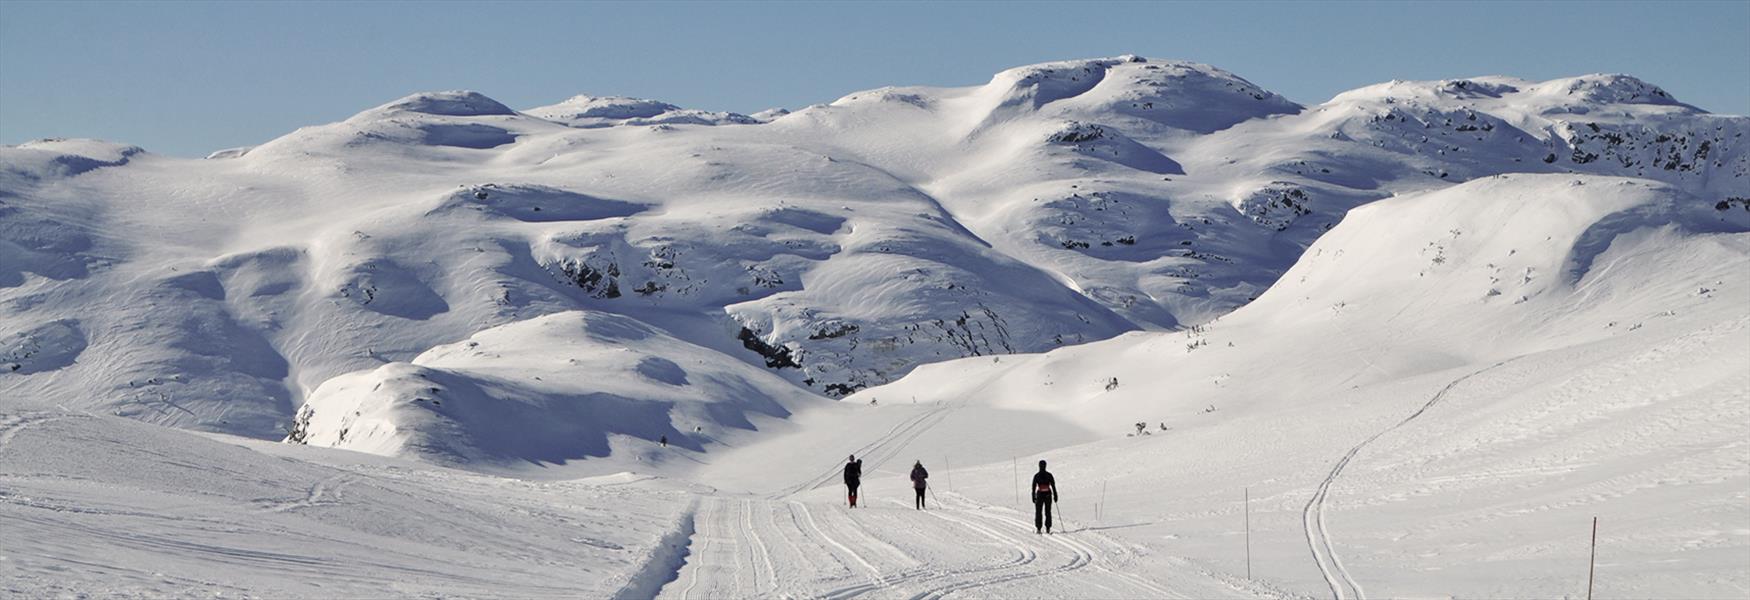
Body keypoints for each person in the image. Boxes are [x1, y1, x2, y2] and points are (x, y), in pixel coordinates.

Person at [1032, 460, 1059, 534]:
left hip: (1040, 494)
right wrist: (1055, 495)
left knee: (1038, 512)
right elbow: (1053, 485)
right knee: (1048, 512)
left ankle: (1038, 528)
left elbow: (1033, 486)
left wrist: (1033, 496)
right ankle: (1048, 528)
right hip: (1048, 494)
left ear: (1039, 466)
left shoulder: (1036, 475)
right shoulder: (1049, 475)